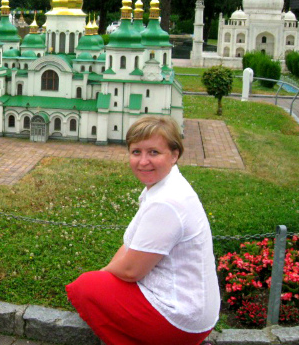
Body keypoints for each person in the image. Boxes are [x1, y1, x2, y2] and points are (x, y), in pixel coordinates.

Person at [66, 116, 219, 345]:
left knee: (82, 288)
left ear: (174, 155)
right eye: (136, 152)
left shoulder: (166, 202)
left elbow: (131, 271)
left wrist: (102, 277)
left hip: (182, 320)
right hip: (196, 309)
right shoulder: (164, 187)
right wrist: (106, 277)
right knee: (98, 284)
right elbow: (130, 246)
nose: (143, 161)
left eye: (154, 152)